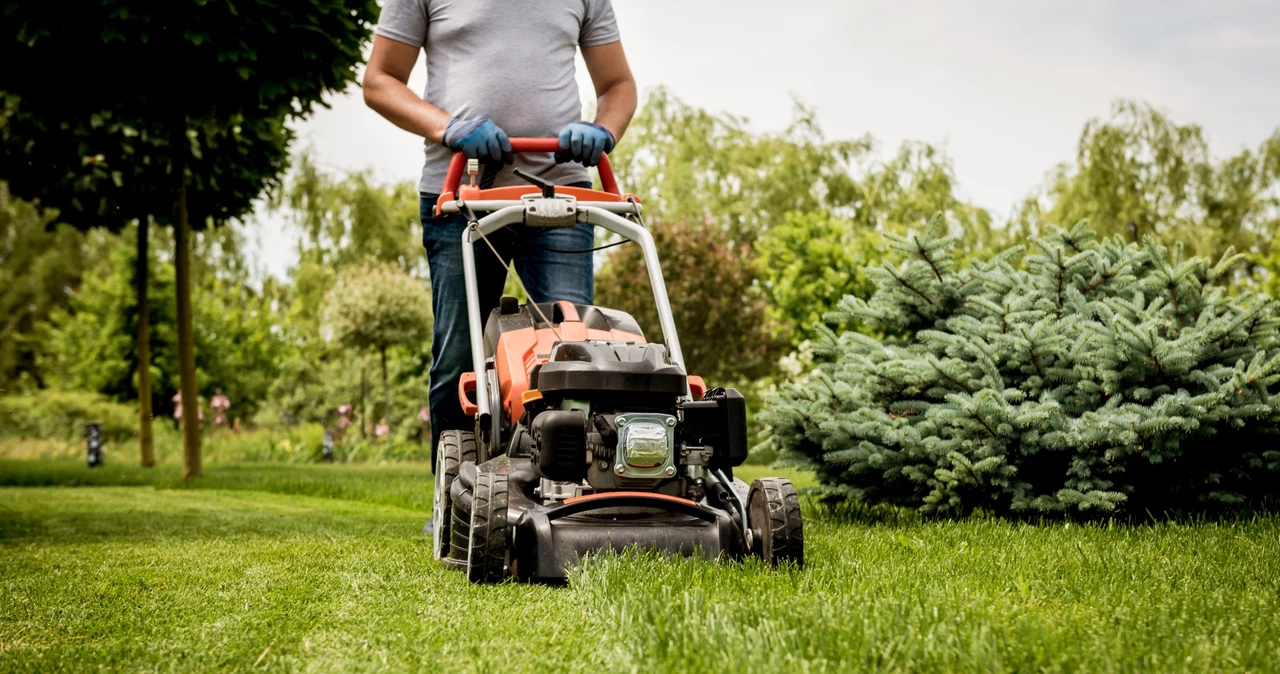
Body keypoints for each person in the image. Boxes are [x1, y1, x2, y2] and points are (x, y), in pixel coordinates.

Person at [363, 0, 637, 455]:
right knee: (459, 359)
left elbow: (618, 84)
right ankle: (453, 499)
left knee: (570, 351)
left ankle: (560, 492)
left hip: (561, 196)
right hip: (461, 196)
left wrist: (603, 130)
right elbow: (379, 81)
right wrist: (447, 127)